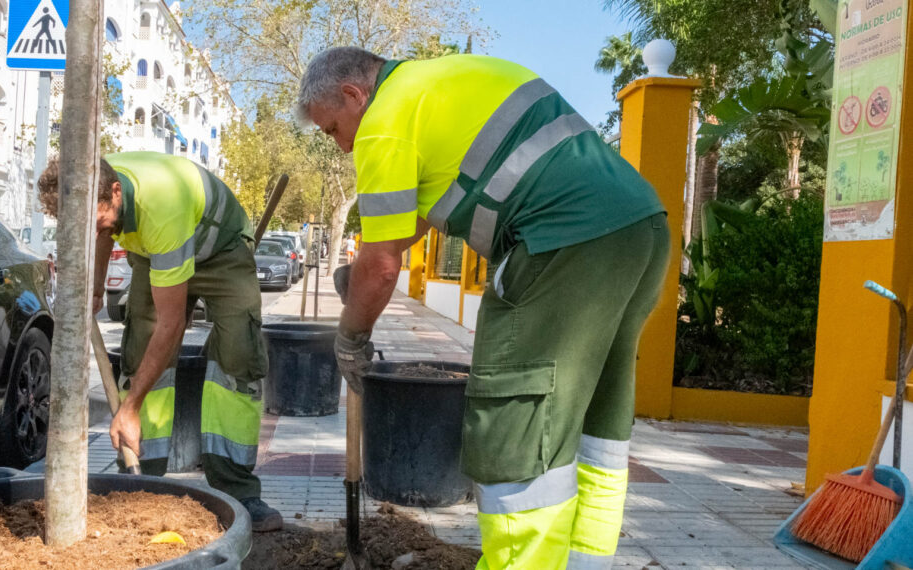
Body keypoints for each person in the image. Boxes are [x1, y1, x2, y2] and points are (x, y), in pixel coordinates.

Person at [299, 47, 669, 569]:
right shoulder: (445, 81)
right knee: (595, 425)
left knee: (515, 429)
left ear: (354, 95)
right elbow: (410, 223)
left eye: (334, 128)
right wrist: (362, 271)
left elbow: (381, 267)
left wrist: (350, 336)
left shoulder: (384, 122)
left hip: (561, 243)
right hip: (639, 229)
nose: (341, 147)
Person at [37, 152, 282, 532]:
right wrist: (97, 288)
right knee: (141, 353)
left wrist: (130, 407)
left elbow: (172, 325)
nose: (95, 229)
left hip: (220, 251)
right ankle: (139, 483)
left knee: (239, 357)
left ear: (116, 192)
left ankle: (239, 491)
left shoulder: (161, 205)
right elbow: (102, 232)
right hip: (154, 252)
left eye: (97, 219)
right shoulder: (90, 181)